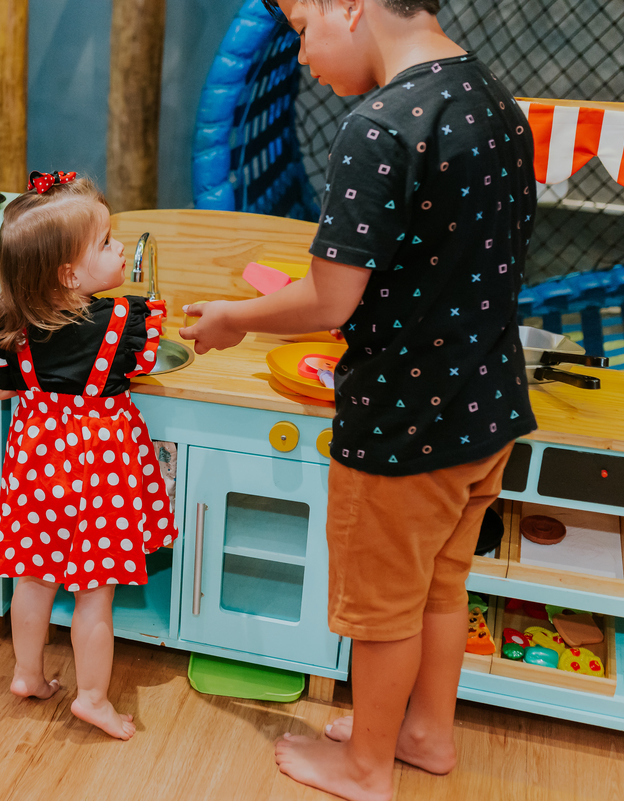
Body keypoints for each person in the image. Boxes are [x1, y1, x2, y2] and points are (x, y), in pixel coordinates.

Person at [180, 0, 537, 797]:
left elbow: (330, 300)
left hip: (403, 425)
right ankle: (424, 734)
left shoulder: (380, 125)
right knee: (442, 586)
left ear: (352, 4)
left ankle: (367, 764)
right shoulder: (496, 103)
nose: (303, 55)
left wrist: (237, 317)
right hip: (486, 408)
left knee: (381, 610)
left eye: (305, 29)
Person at [0, 171, 177, 741]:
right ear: (70, 273)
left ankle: (27, 675)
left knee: (32, 579)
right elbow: (146, 368)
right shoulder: (121, 323)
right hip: (101, 469)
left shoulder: (8, 321)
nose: (119, 250)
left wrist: (36, 386)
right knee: (94, 594)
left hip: (37, 464)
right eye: (108, 244)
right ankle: (92, 699)